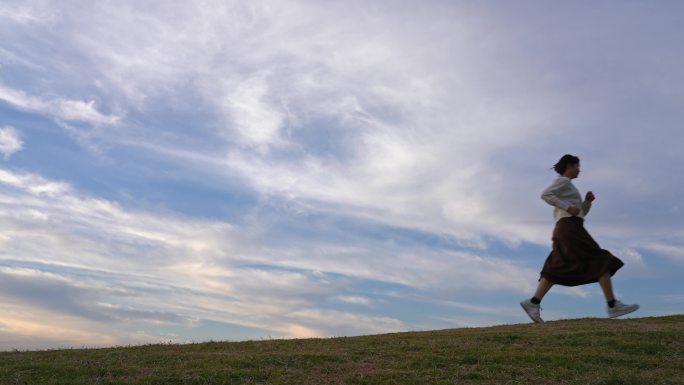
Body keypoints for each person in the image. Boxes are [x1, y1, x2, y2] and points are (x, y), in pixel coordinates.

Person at [520, 154, 639, 323]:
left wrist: (587, 202)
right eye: (577, 166)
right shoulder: (564, 181)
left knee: (557, 265)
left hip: (567, 227)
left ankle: (533, 303)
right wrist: (567, 206)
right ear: (569, 165)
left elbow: (580, 213)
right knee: (601, 259)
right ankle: (613, 305)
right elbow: (545, 195)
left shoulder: (568, 186)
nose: (579, 169)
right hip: (570, 227)